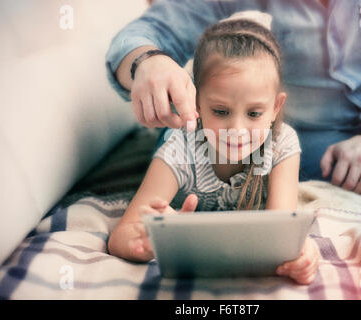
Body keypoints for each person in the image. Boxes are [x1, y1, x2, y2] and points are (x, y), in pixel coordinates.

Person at [106, 0, 361, 250]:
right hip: (304, 127)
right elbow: (149, 32)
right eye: (220, 111)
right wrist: (146, 61)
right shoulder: (194, 147)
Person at [107, 18, 321, 284]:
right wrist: (150, 241)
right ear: (194, 101)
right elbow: (121, 237)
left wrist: (301, 254)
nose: (237, 130)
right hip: (189, 133)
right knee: (172, 133)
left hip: (207, 130)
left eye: (254, 113)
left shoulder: (282, 143)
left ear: (276, 108)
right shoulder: (179, 150)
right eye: (221, 111)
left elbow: (281, 232)